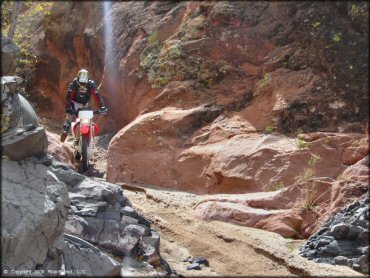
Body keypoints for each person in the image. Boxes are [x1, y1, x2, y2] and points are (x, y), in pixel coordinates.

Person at [60, 69, 107, 142]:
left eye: (84, 84)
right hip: (74, 102)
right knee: (69, 115)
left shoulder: (91, 84)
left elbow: (97, 96)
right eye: (80, 83)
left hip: (85, 104)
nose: (82, 86)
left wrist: (102, 106)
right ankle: (65, 130)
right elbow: (69, 96)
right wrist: (68, 107)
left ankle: (89, 136)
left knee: (87, 119)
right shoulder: (74, 83)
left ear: (88, 80)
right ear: (78, 79)